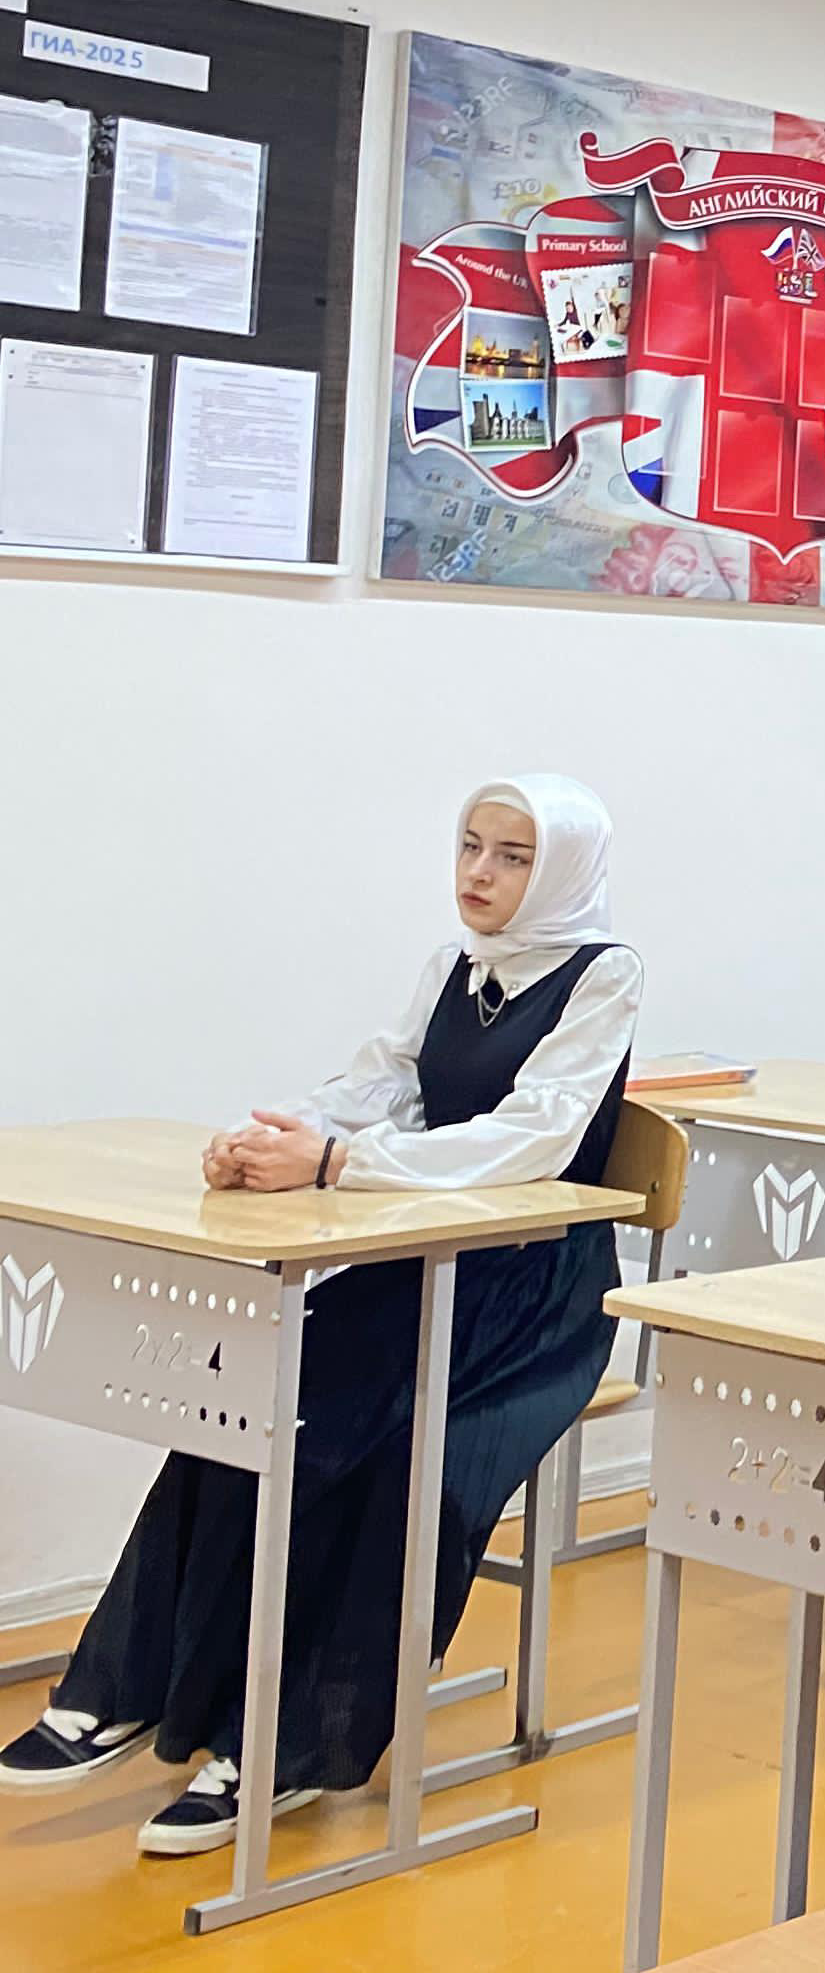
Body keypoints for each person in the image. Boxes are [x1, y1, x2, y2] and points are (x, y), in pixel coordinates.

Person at [1, 780, 637, 1854]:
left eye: (514, 857)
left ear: (562, 871)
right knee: (247, 1410)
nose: (479, 873)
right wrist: (269, 1140)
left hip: (535, 1295)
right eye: (470, 846)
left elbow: (536, 1137)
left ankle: (294, 1745)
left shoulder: (604, 975)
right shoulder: (453, 968)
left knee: (399, 1469)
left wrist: (340, 1163)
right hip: (420, 1264)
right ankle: (132, 1689)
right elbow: (374, 1086)